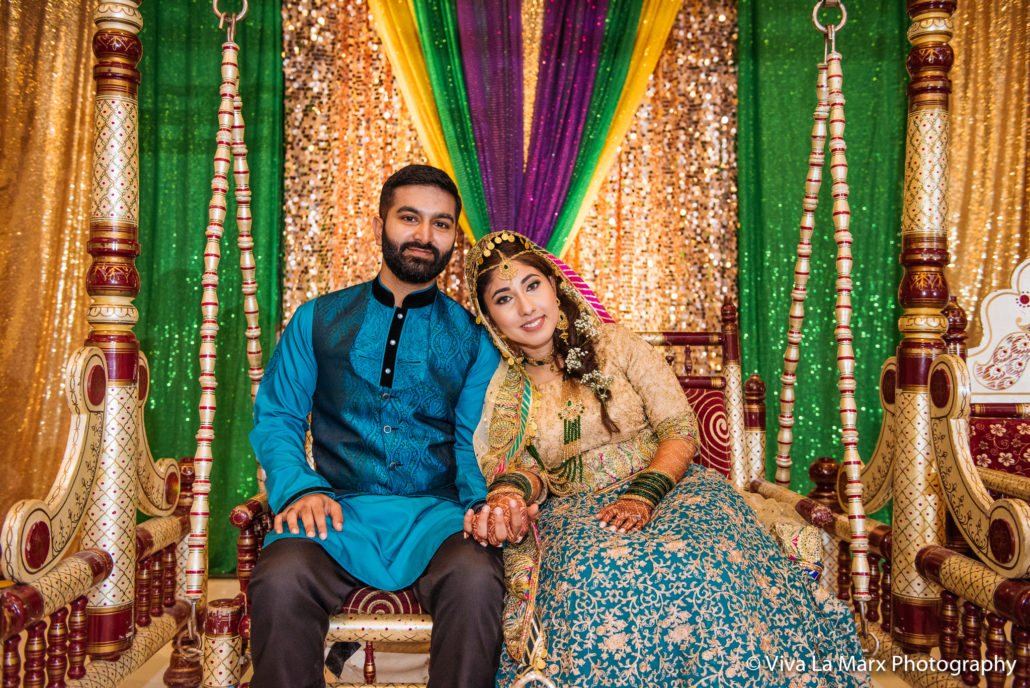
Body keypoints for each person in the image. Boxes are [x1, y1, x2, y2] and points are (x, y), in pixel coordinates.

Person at [463, 231, 871, 687]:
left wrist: (644, 495)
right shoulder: (508, 389)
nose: (525, 306)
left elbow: (678, 429)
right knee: (593, 577)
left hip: (672, 487)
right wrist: (508, 497)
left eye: (531, 285)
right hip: (576, 511)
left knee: (708, 566)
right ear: (492, 319)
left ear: (555, 284)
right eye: (504, 298)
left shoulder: (616, 345)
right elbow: (523, 470)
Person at [247, 165, 522, 688]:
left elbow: (473, 440)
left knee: (476, 579)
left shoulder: (472, 338)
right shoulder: (316, 319)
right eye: (409, 218)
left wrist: (482, 505)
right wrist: (301, 488)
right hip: (336, 510)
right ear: (380, 226)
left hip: (438, 517)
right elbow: (278, 417)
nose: (424, 236)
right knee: (280, 580)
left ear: (453, 242)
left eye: (441, 224)